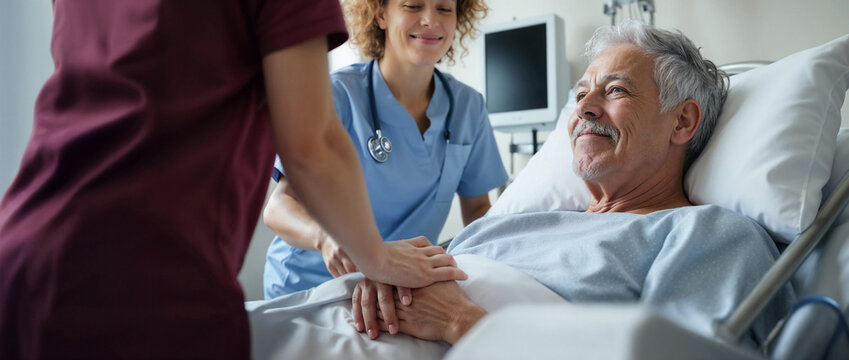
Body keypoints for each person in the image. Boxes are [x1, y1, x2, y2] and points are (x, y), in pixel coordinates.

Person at [0, 0, 466, 358]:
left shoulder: (467, 107)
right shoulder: (347, 90)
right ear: (382, 15)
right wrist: (377, 257)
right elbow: (312, 147)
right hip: (144, 282)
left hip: (24, 250)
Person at [350, 22, 794, 346]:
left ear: (682, 120)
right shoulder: (509, 222)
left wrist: (463, 324)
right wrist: (386, 277)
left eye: (616, 90)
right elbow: (415, 274)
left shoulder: (708, 235)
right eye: (581, 95)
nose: (584, 109)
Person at [262, 0, 507, 301]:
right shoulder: (338, 95)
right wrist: (326, 239)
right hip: (310, 283)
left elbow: (478, 210)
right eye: (413, 6)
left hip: (397, 285)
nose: (430, 20)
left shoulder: (468, 107)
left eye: (445, 9)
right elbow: (278, 208)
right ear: (381, 14)